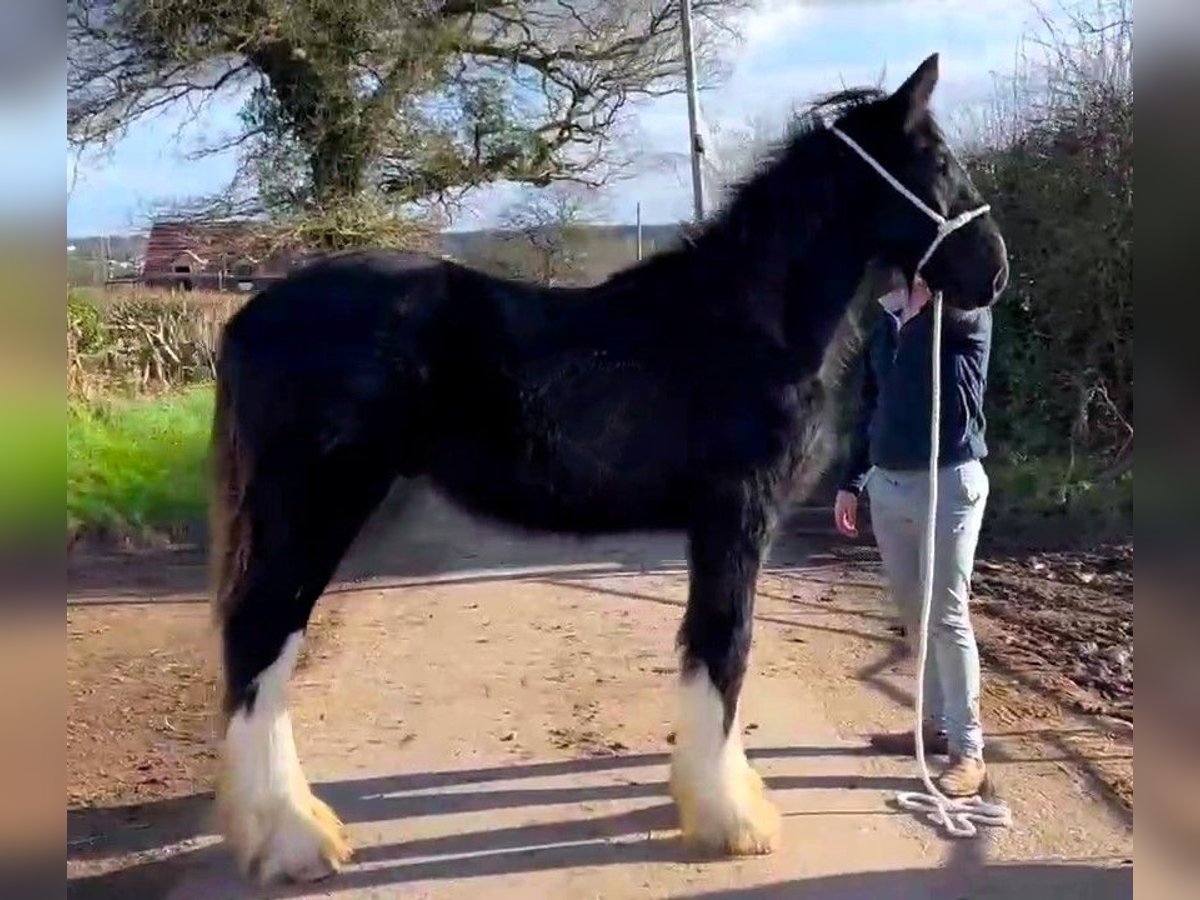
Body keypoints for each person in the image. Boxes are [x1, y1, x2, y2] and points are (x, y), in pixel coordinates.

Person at [835, 269, 992, 797]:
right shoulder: (886, 320)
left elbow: (974, 290)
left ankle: (969, 752)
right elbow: (871, 407)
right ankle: (935, 726)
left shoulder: (962, 316)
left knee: (947, 614)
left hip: (948, 482)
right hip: (890, 485)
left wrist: (926, 305)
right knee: (913, 615)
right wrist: (852, 481)